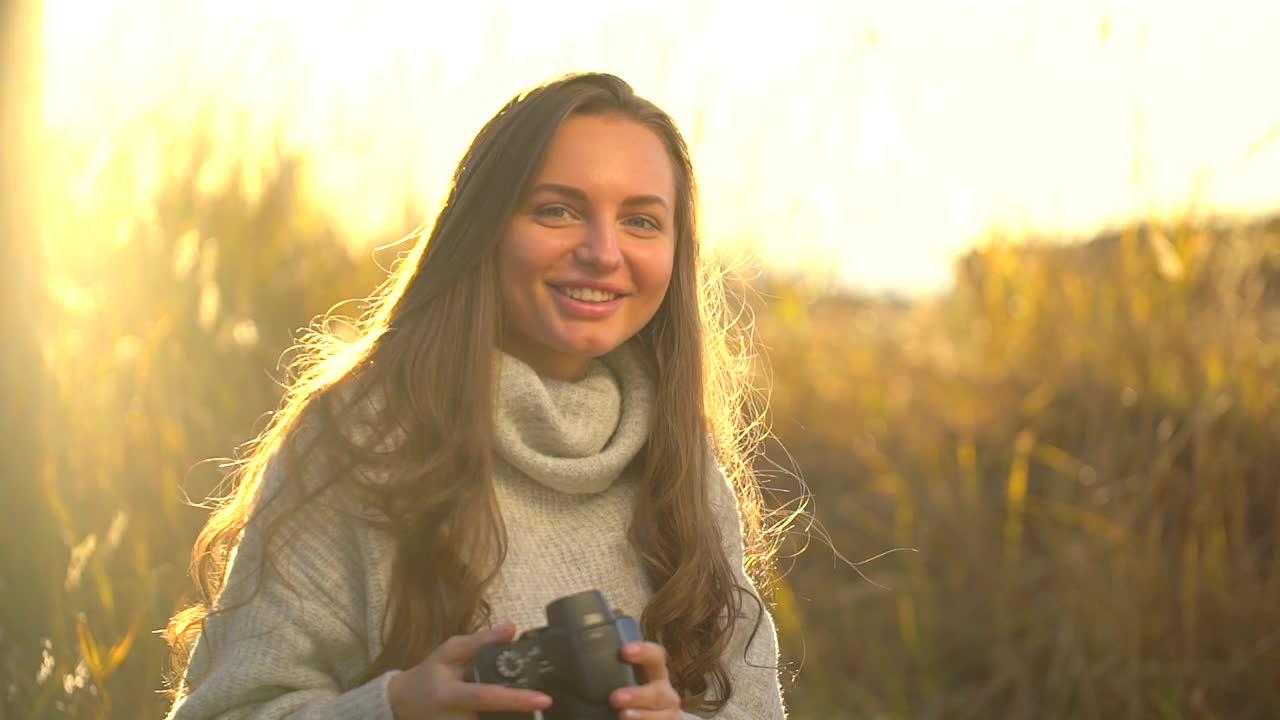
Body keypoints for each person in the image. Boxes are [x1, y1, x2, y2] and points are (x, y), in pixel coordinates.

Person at [163, 72, 789, 719]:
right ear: (486, 226)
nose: (603, 252)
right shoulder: (363, 435)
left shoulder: (681, 456)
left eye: (640, 220)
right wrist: (397, 707)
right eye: (558, 210)